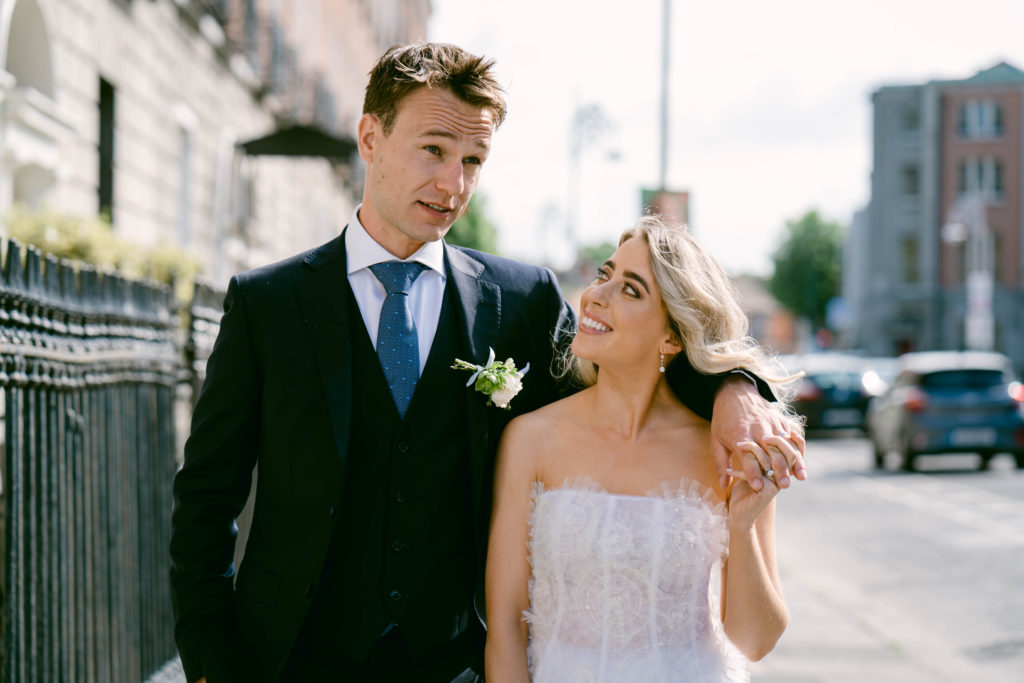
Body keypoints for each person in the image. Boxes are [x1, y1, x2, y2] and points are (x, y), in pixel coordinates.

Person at [169, 43, 804, 683]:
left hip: (456, 665)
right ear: (370, 137)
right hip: (290, 661)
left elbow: (629, 371)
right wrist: (208, 663)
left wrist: (736, 387)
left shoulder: (521, 301)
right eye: (434, 150)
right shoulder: (268, 304)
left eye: (474, 160)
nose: (455, 184)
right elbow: (205, 496)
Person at [485, 216, 804, 682]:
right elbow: (507, 625)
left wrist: (743, 523)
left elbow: (753, 641)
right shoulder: (532, 439)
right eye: (604, 275)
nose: (597, 295)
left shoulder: (725, 450)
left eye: (631, 290)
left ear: (672, 336)